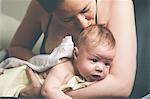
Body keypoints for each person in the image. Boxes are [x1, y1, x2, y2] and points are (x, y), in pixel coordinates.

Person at [8, 0, 136, 98]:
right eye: (67, 19)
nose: (83, 24)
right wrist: (44, 64)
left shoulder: (117, 4)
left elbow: (122, 86)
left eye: (85, 10)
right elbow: (17, 47)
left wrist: (47, 92)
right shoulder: (39, 6)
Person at [41, 24, 115, 99]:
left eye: (107, 64)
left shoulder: (85, 74)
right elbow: (48, 90)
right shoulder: (62, 69)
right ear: (76, 54)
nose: (100, 68)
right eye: (94, 60)